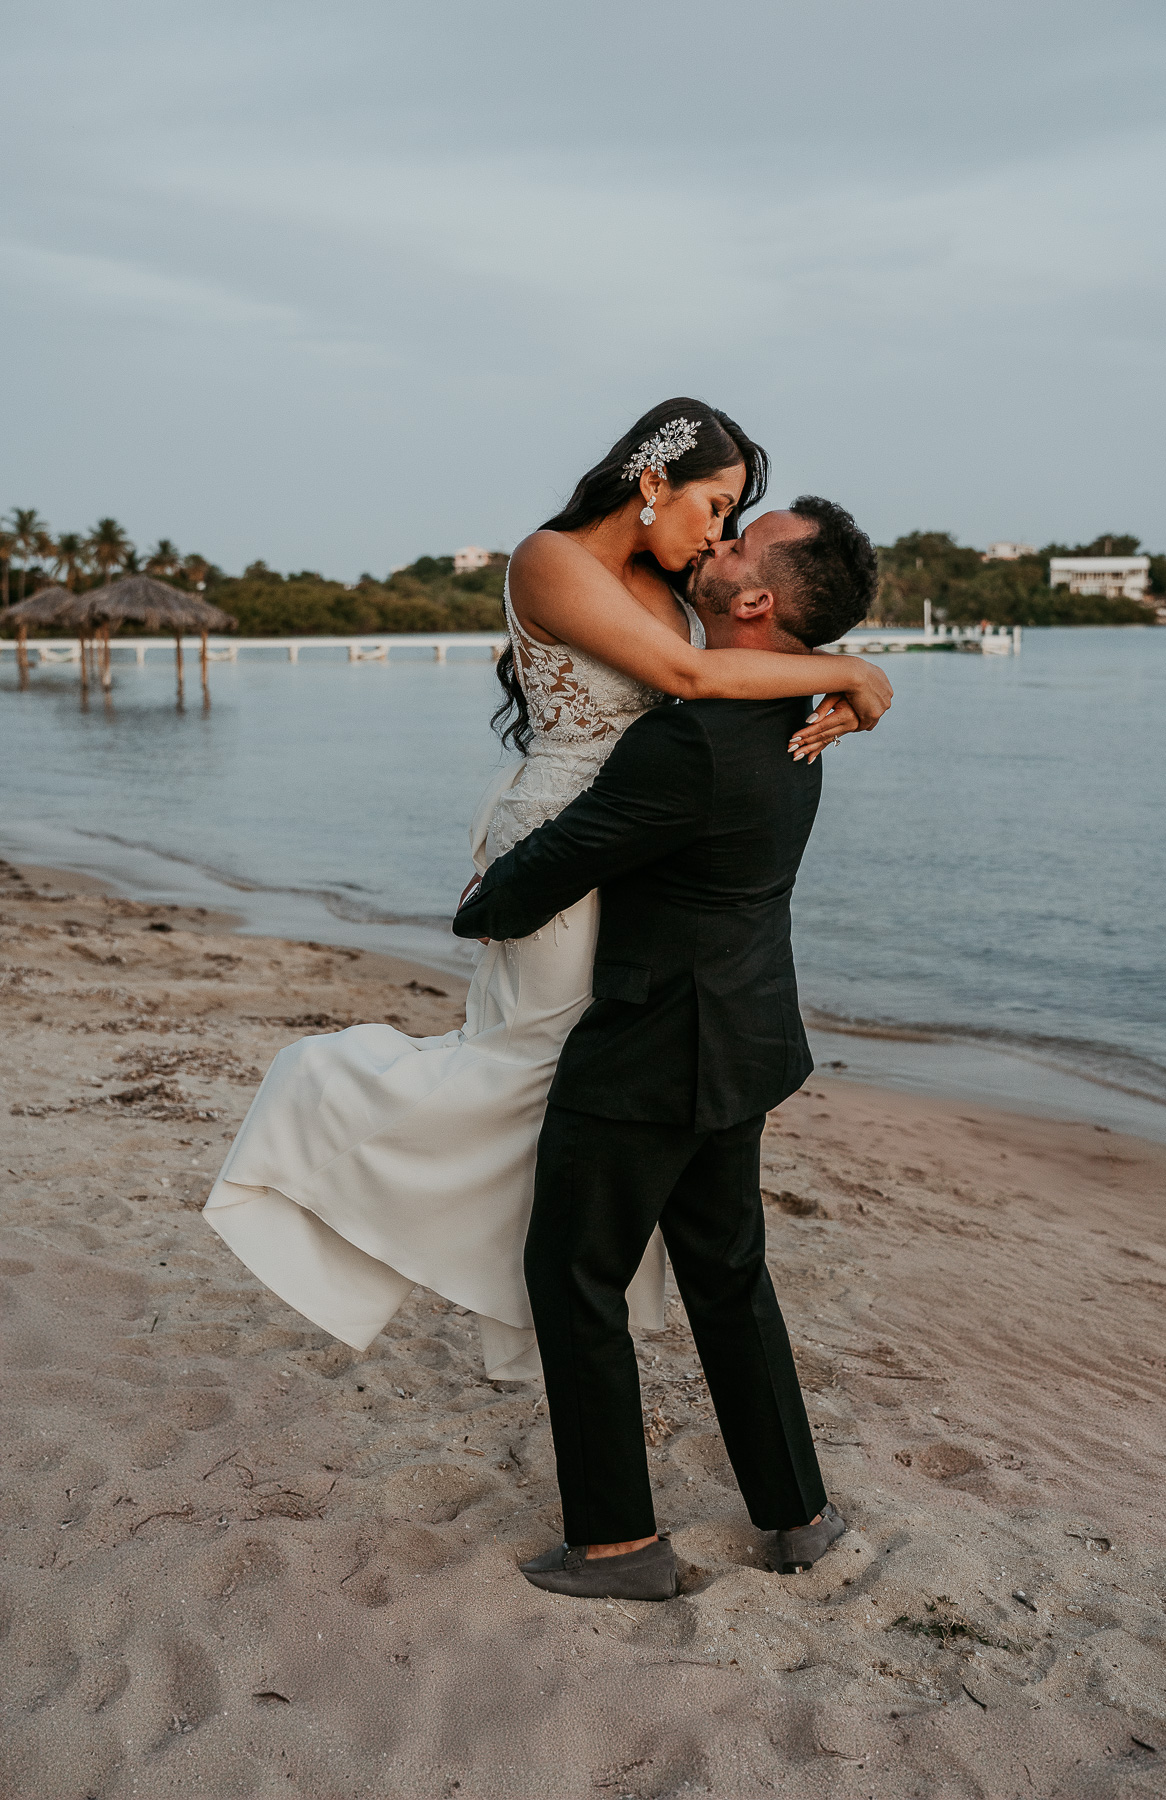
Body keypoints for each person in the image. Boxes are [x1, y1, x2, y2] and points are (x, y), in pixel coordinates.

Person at [203, 400, 892, 1383]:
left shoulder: (661, 573)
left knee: (574, 1081)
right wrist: (858, 668)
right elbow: (694, 674)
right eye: (715, 506)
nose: (719, 535)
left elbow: (740, 658)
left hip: (627, 847)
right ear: (654, 481)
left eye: (735, 519)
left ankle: (541, 1308)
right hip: (561, 837)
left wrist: (839, 687)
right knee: (531, 1068)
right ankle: (320, 1103)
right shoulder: (548, 558)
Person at [453, 493, 880, 1600]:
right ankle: (799, 1515)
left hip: (652, 1049)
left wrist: (480, 903)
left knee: (574, 1275)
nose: (716, 542)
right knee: (730, 1277)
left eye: (739, 541)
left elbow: (561, 863)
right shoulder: (809, 708)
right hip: (744, 1038)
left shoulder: (690, 735)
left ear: (750, 598)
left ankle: (617, 1544)